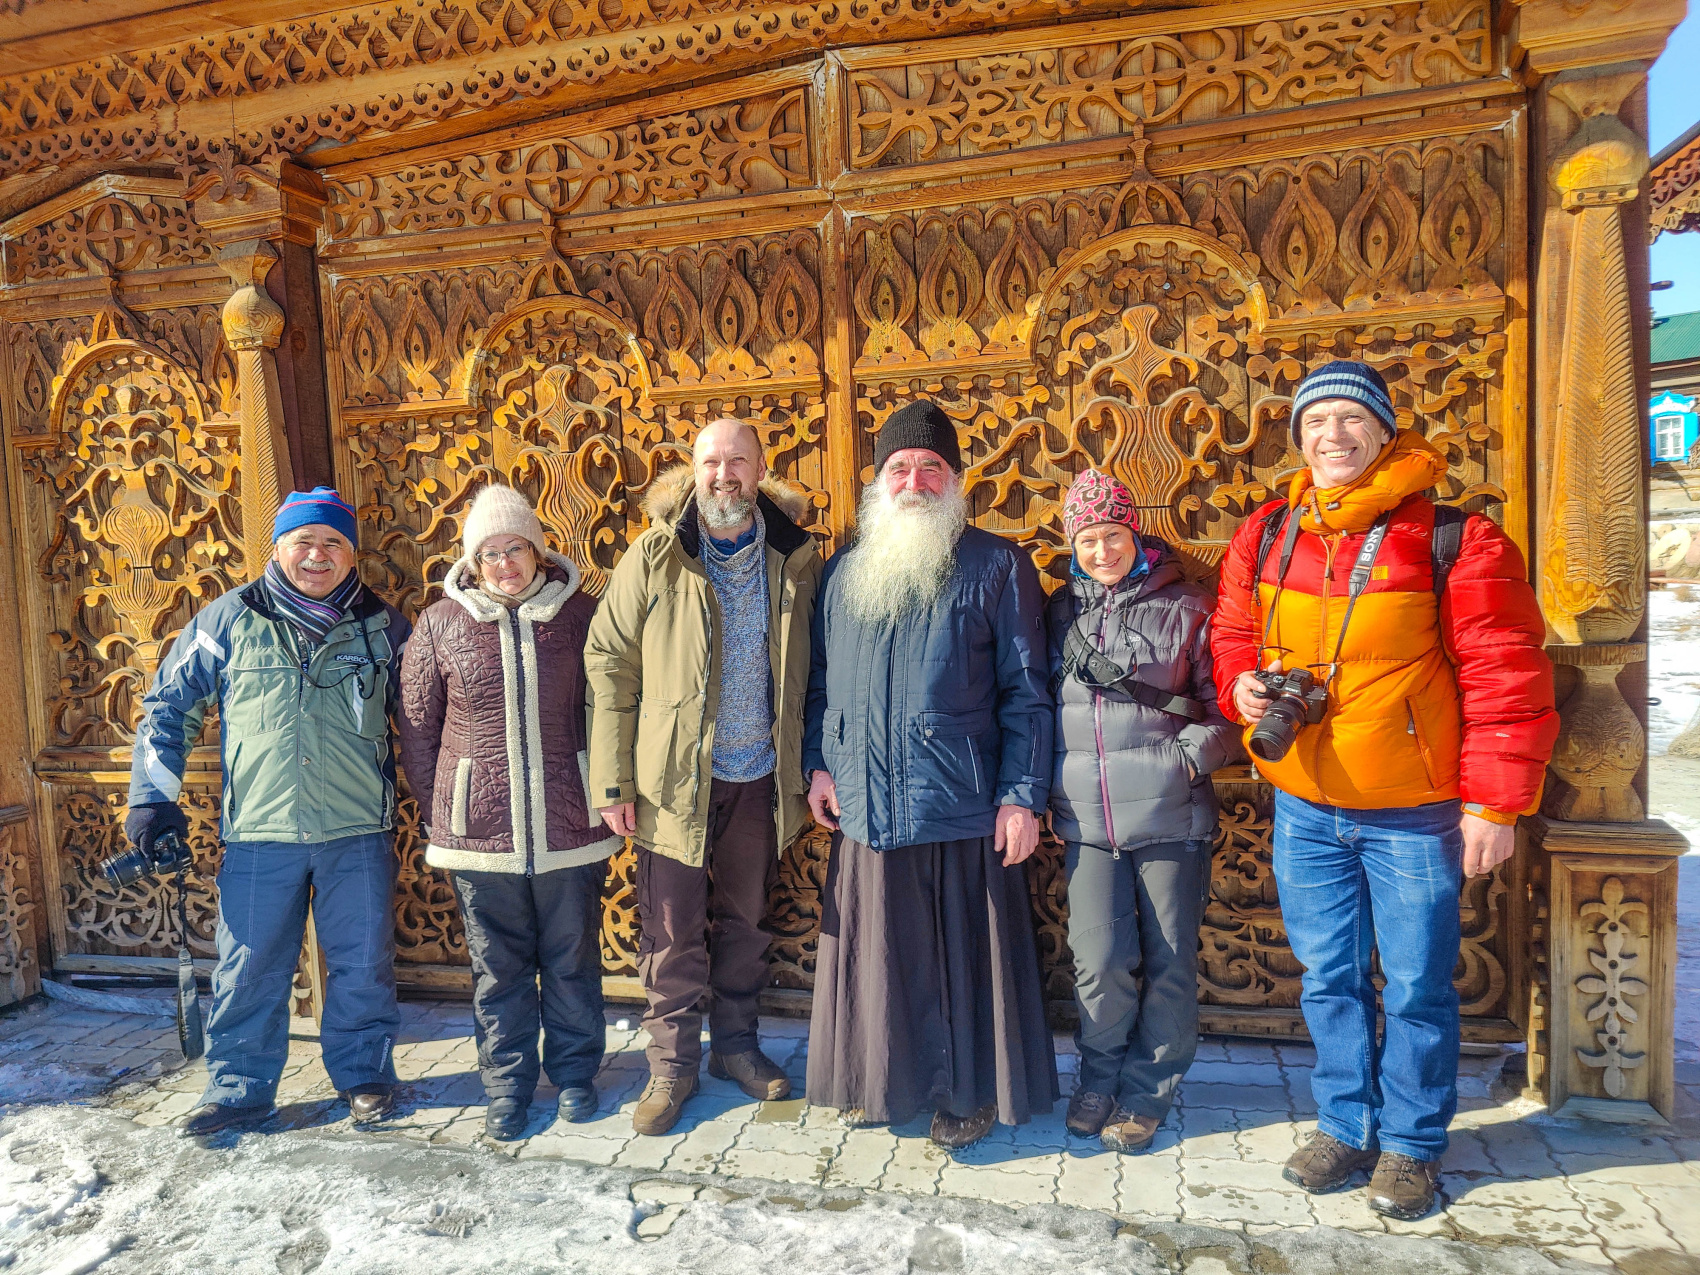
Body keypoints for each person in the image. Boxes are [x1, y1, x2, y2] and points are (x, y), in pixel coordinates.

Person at [1212, 361, 1557, 1219]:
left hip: (1413, 811)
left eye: (1350, 419)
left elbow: (1505, 672)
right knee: (1328, 976)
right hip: (1305, 804)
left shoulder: (1453, 538)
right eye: (1315, 421)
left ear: (1384, 430)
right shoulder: (1269, 532)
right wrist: (1241, 688)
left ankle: (1410, 1143)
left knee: (1414, 984)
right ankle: (1344, 1124)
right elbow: (1232, 633)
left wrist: (1494, 803)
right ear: (1297, 437)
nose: (1332, 436)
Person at [803, 398, 1058, 1151]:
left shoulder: (996, 564)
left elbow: (1027, 693)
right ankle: (883, 1084)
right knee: (880, 962)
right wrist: (821, 763)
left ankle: (968, 1093)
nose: (914, 479)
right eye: (899, 466)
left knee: (959, 963)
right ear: (879, 482)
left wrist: (1022, 795)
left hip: (961, 805)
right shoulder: (845, 570)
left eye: (930, 466)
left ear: (954, 480)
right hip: (866, 805)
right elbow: (822, 682)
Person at [126, 487, 411, 1137]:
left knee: (364, 962)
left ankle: (364, 1075)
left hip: (356, 828)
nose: (318, 554)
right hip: (261, 830)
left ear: (351, 554)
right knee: (248, 966)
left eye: (333, 542)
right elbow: (169, 708)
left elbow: (424, 720)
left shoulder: (383, 626)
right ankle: (239, 1089)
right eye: (304, 541)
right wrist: (151, 797)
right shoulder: (224, 621)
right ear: (278, 547)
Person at [584, 417, 821, 1136]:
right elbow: (609, 662)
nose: (725, 475)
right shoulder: (656, 555)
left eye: (738, 461)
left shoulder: (796, 555)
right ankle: (671, 1064)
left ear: (759, 470)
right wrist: (613, 782)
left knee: (746, 923)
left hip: (759, 776)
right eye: (712, 462)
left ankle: (738, 1047)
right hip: (669, 784)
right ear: (693, 471)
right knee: (670, 929)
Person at [398, 485, 616, 1141]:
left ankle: (576, 1075)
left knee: (574, 961)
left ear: (537, 550)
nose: (503, 563)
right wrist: (445, 807)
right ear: (472, 562)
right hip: (478, 836)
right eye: (489, 553)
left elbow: (610, 710)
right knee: (499, 972)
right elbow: (416, 728)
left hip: (569, 827)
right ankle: (507, 1088)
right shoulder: (439, 622)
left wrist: (603, 791)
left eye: (514, 548)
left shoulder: (581, 615)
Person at [1047, 470, 1238, 1152]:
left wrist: (1183, 762)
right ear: (1074, 544)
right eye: (1089, 539)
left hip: (1170, 817)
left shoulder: (1188, 605)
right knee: (1098, 959)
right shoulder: (1059, 611)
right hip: (1088, 822)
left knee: (1168, 961)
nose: (1102, 551)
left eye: (1113, 535)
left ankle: (1148, 1091)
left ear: (1136, 533)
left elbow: (1226, 712)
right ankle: (1097, 1078)